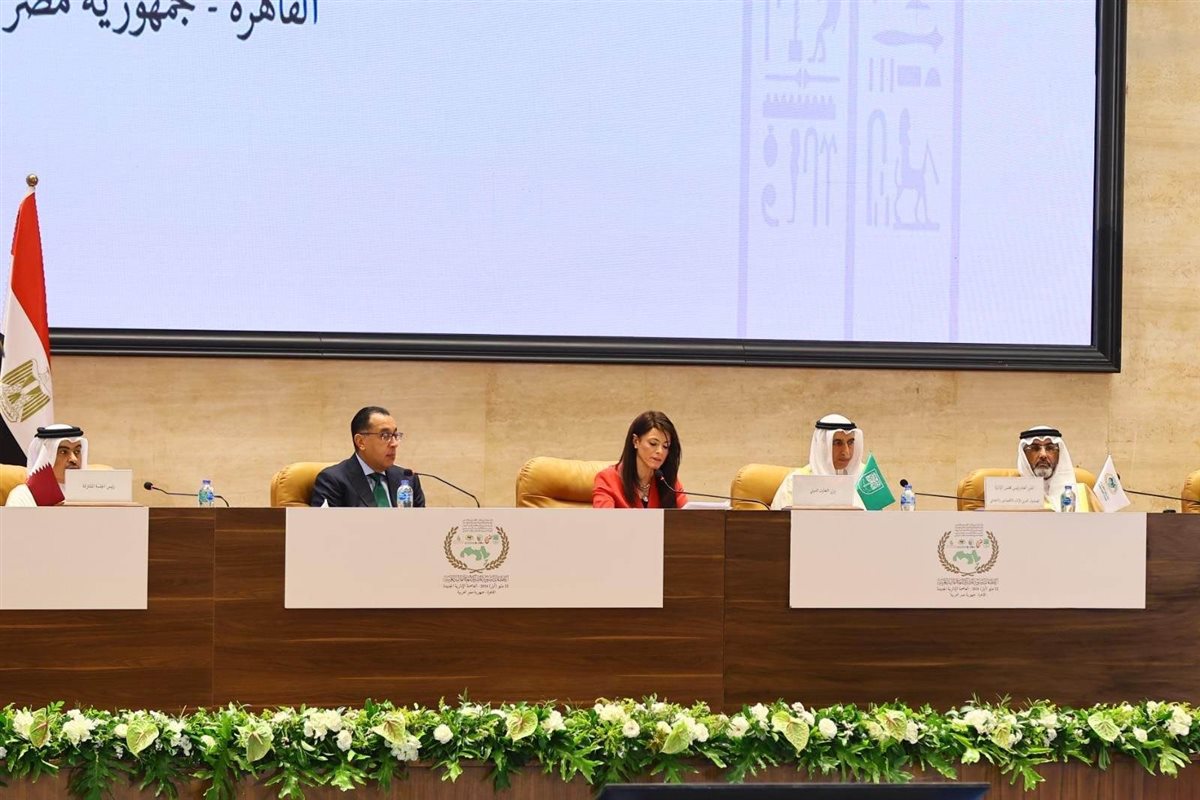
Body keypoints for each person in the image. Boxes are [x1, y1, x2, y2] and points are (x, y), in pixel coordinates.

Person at [309, 406, 425, 507]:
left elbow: (422, 523)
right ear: (361, 442)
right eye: (385, 435)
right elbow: (325, 524)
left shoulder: (407, 479)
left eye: (395, 435)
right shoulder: (333, 481)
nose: (394, 444)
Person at [593, 410, 688, 508]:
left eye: (665, 446)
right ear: (635, 441)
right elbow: (604, 517)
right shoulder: (607, 479)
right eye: (653, 443)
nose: (660, 451)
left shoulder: (668, 480)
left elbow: (688, 515)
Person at [771, 414, 865, 510]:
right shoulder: (794, 483)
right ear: (822, 445)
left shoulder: (866, 477)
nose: (846, 452)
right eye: (837, 443)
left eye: (850, 442)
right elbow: (781, 519)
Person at [5, 424, 87, 507]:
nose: (74, 459)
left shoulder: (89, 492)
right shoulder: (23, 496)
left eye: (77, 451)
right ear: (44, 456)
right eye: (63, 452)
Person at [1017, 425, 1095, 512]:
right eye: (1035, 449)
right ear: (1024, 456)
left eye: (1050, 448)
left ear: (1059, 454)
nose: (1043, 455)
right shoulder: (1012, 494)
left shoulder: (1083, 494)